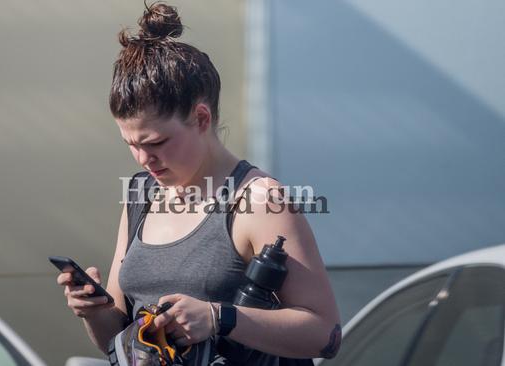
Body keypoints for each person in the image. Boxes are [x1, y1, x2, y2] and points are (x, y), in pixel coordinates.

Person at [57, 2, 341, 364]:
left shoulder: (260, 202)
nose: (144, 159)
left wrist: (218, 318)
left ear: (201, 118)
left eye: (156, 142)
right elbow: (118, 341)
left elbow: (325, 336)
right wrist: (93, 309)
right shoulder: (140, 193)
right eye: (131, 145)